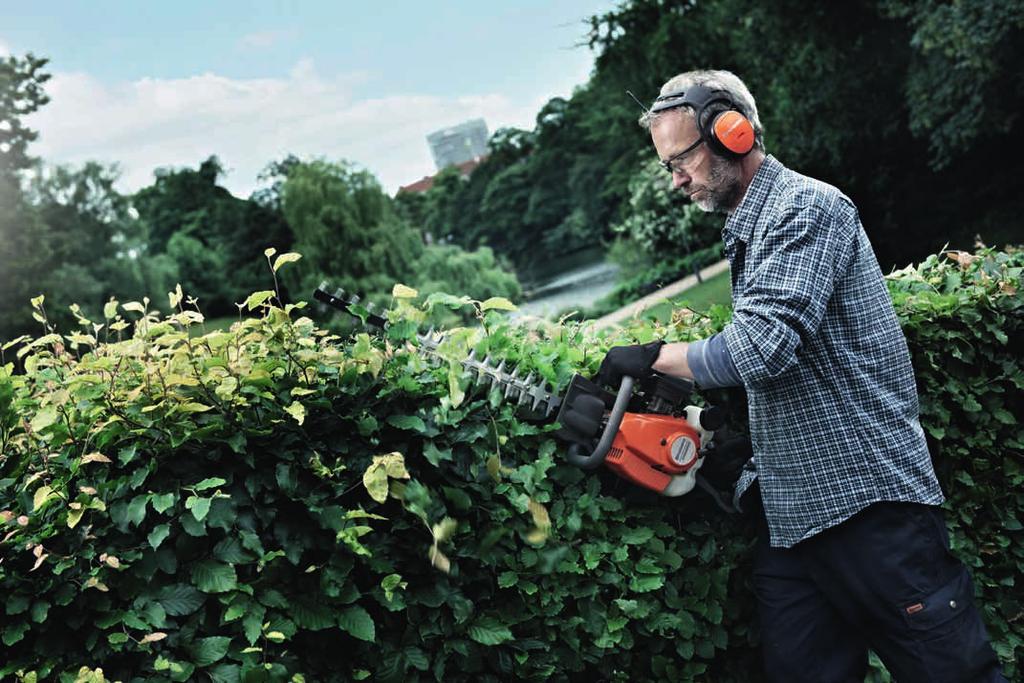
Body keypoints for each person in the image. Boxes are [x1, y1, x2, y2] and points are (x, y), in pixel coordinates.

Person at [595, 70, 1006, 682]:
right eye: (667, 166)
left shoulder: (806, 210)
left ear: (731, 133)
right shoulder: (751, 229)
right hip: (795, 523)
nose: (675, 179)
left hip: (870, 510)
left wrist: (653, 354)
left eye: (680, 159)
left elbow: (760, 351)